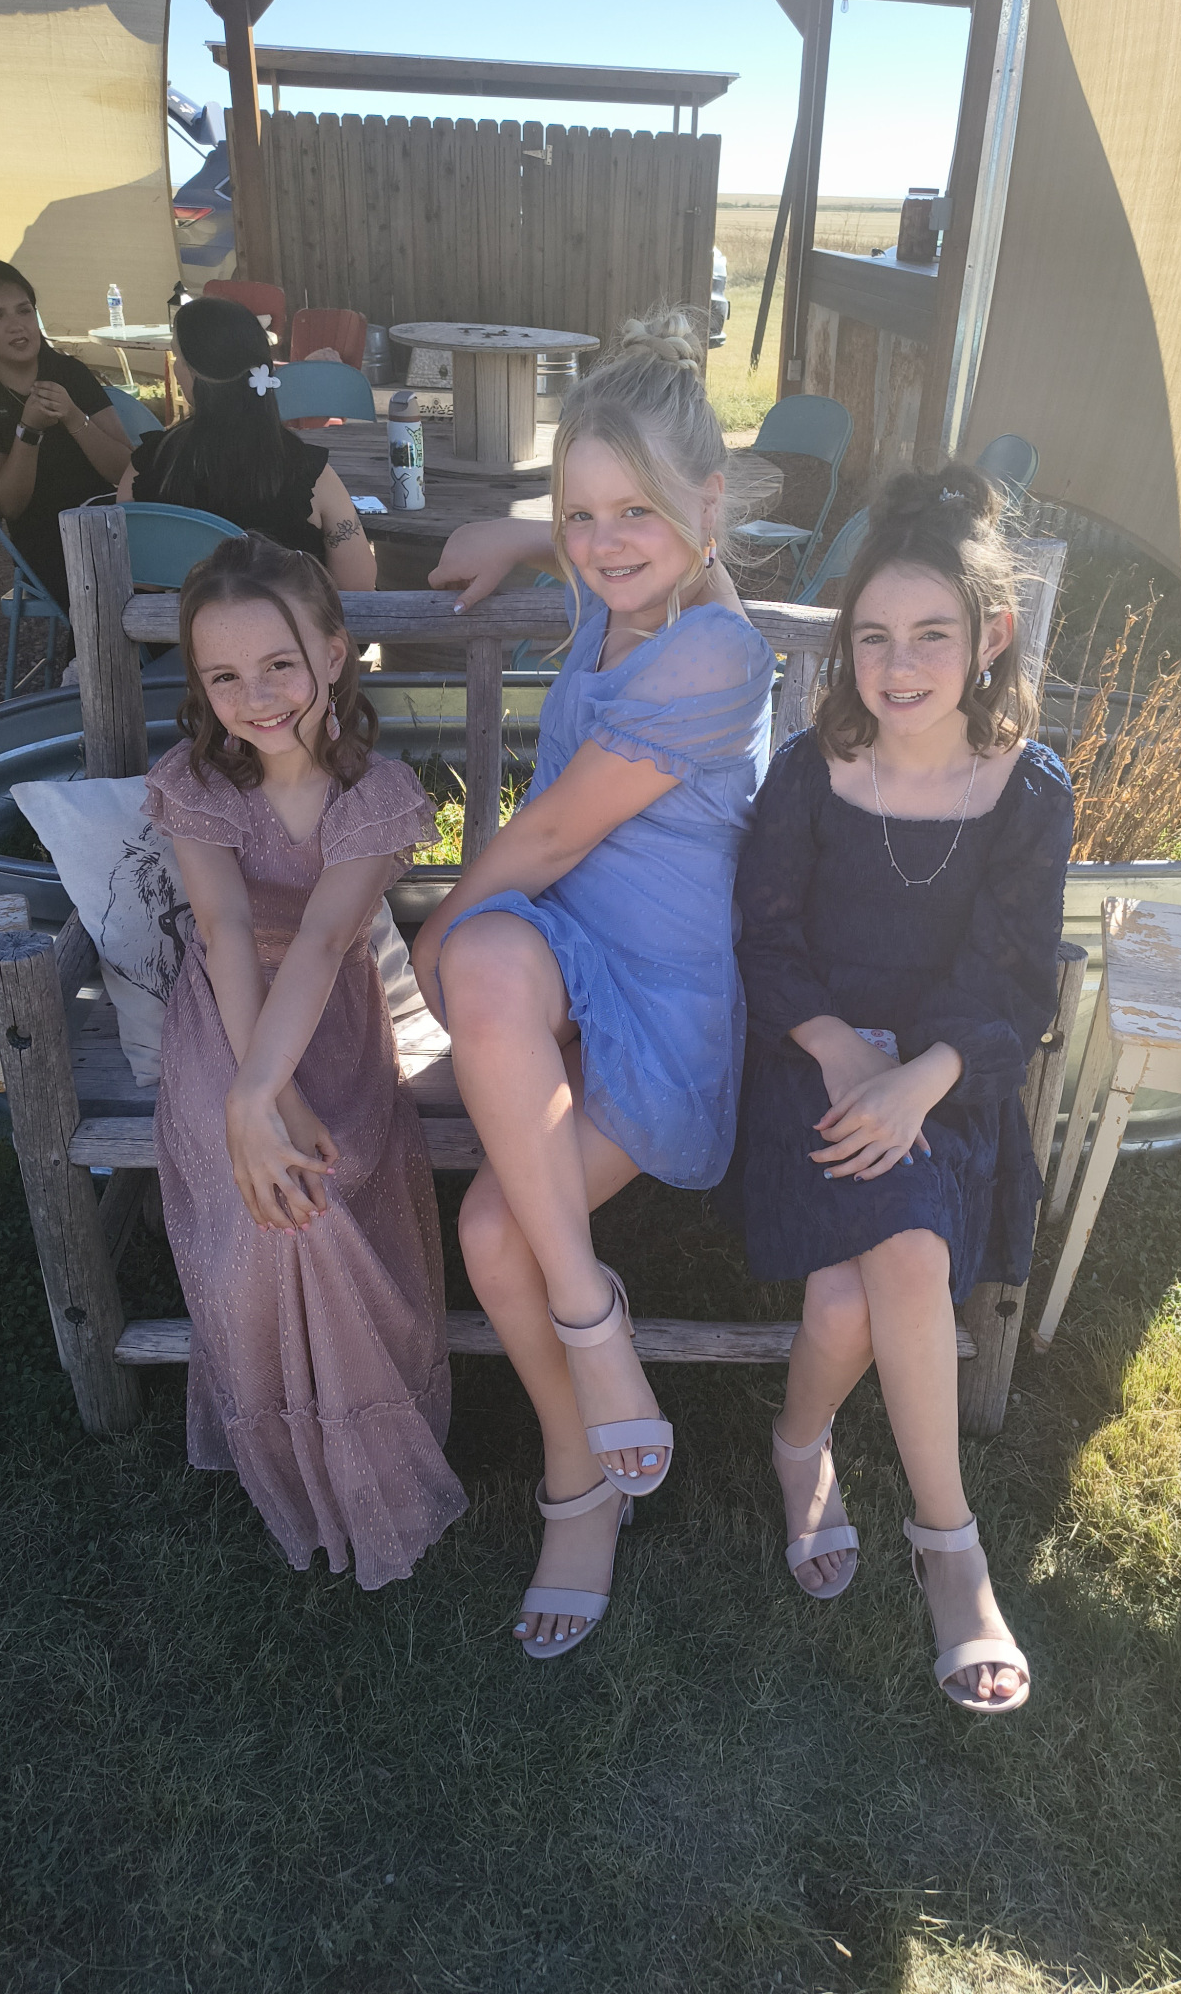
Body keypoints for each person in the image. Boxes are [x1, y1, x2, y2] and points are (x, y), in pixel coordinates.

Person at [411, 311, 775, 1661]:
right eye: (583, 515)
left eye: (638, 512)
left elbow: (556, 831)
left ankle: (580, 1452)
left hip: (664, 1008)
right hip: (568, 967)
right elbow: (601, 546)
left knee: (495, 1234)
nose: (607, 543)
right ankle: (588, 1412)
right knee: (491, 955)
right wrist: (522, 531)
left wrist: (442, 920)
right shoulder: (624, 601)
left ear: (710, 506)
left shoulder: (715, 653)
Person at [724, 466, 1073, 1714]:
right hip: (810, 1064)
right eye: (873, 636)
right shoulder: (812, 773)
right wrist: (839, 1050)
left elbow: (1014, 979)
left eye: (931, 634)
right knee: (872, 1279)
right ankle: (941, 1539)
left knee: (857, 1289)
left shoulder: (1026, 789)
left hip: (947, 1073)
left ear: (992, 635)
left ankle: (841, 1471)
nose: (900, 664)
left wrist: (920, 1079)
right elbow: (766, 938)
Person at [144, 532, 466, 1587]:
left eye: (279, 664)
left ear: (334, 653)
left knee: (316, 1191)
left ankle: (366, 1447)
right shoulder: (199, 783)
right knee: (268, 1204)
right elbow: (228, 929)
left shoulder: (374, 795)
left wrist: (267, 1097)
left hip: (329, 1021)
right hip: (225, 1018)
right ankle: (289, 1452)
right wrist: (252, 1097)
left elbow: (326, 943)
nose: (256, 697)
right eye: (224, 677)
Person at [119, 298, 379, 591]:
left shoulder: (149, 464)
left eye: (178, 357)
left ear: (195, 373)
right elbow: (359, 585)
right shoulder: (309, 473)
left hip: (175, 621)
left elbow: (131, 572)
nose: (176, 368)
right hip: (287, 621)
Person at [0, 259, 133, 610]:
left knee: (188, 576)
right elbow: (10, 506)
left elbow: (125, 471)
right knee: (128, 601)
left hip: (112, 518)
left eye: (24, 310)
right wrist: (29, 431)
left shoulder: (69, 372)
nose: (17, 326)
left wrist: (74, 417)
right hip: (49, 540)